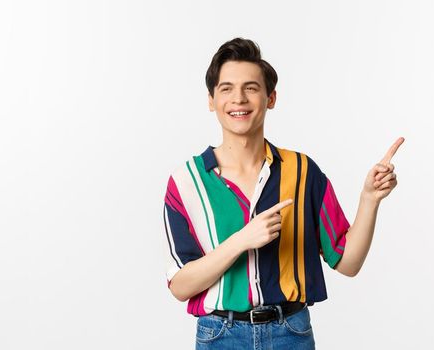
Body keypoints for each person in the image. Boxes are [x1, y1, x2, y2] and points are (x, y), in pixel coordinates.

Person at [162, 37, 404, 349]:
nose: (239, 98)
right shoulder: (186, 182)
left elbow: (348, 262)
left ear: (270, 97)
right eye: (226, 88)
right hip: (220, 336)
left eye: (251, 87)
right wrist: (242, 240)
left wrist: (369, 199)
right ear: (211, 100)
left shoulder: (303, 172)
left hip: (291, 333)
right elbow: (180, 286)